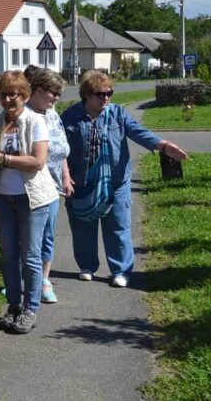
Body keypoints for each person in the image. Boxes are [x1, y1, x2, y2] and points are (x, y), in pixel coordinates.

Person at [61, 70, 188, 287]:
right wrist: (64, 176)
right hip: (80, 181)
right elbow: (59, 148)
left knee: (118, 226)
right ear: (87, 94)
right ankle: (87, 266)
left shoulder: (118, 114)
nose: (106, 98)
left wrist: (163, 145)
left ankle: (120, 271)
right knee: (82, 227)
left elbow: (138, 131)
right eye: (100, 94)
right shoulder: (70, 116)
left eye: (109, 92)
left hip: (115, 182)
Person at [0, 71, 59, 334]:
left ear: (24, 95)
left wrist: (3, 158)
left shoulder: (35, 121)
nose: (6, 99)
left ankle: (30, 308)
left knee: (31, 256)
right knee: (8, 255)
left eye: (12, 94)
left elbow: (38, 161)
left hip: (32, 197)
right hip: (3, 196)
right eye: (2, 94)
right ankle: (13, 305)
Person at [25, 67, 73, 304]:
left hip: (53, 187)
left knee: (47, 236)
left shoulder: (52, 113)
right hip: (30, 187)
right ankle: (26, 281)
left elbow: (61, 147)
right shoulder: (23, 114)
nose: (56, 98)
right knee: (28, 237)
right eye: (53, 93)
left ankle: (44, 280)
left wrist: (66, 175)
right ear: (39, 90)